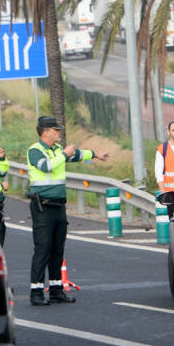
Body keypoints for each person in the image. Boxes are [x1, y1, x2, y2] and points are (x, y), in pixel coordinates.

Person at [27, 116, 109, 306]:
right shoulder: (35, 150)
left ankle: (56, 290)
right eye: (56, 130)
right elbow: (45, 166)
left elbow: (77, 154)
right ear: (46, 132)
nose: (59, 133)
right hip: (43, 206)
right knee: (43, 249)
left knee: (57, 249)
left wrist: (95, 154)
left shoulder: (56, 149)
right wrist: (64, 155)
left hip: (58, 206)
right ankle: (36, 292)